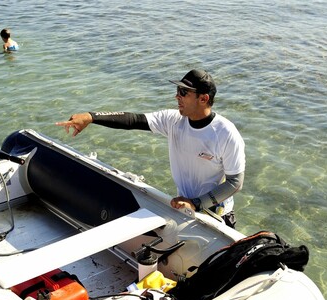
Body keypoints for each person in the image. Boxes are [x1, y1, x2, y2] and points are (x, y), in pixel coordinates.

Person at [56, 69, 246, 229]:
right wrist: (91, 116)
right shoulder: (173, 120)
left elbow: (235, 182)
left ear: (203, 98)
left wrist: (197, 203)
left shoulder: (225, 133)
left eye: (183, 92)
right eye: (177, 90)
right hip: (184, 208)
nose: (176, 96)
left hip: (217, 215)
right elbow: (133, 120)